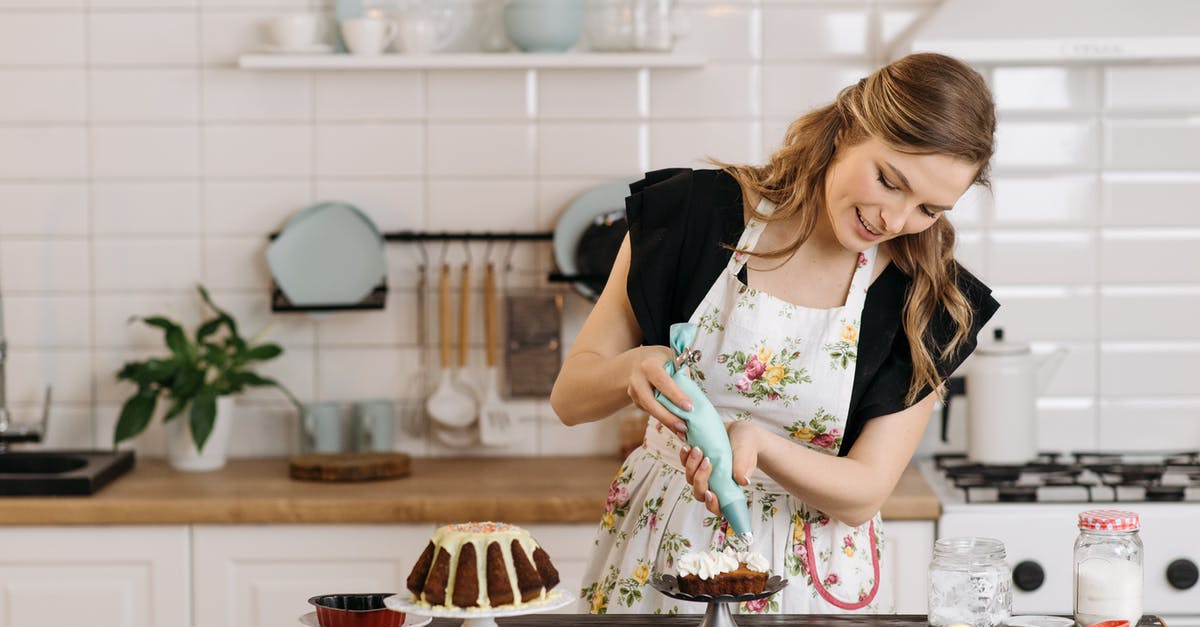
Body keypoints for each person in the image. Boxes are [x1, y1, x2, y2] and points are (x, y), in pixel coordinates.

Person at [550, 52, 1000, 614]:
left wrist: (760, 444)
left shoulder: (929, 299)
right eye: (889, 181)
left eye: (928, 209)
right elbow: (570, 398)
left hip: (812, 581)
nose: (893, 219)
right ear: (849, 128)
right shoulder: (691, 214)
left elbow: (865, 491)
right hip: (657, 554)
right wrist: (630, 368)